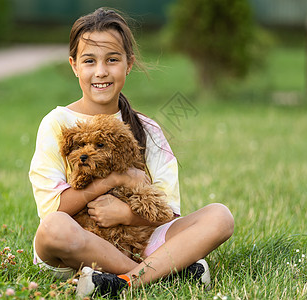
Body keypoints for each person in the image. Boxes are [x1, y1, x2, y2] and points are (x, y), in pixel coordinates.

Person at [29, 7, 234, 298]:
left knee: (220, 216)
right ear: (74, 65)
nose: (101, 71)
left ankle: (123, 281)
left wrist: (125, 213)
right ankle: (162, 274)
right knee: (53, 228)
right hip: (78, 244)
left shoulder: (147, 130)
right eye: (90, 61)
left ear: (129, 64)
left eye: (112, 60)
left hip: (141, 239)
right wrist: (114, 180)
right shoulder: (57, 123)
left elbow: (169, 212)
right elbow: (54, 209)